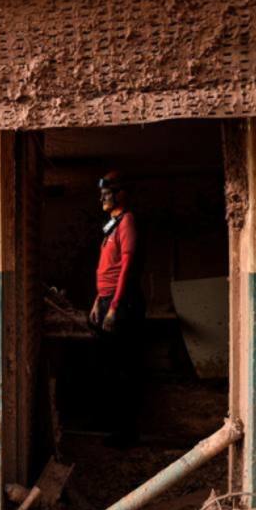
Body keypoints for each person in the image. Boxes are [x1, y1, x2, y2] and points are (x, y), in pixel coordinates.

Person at [88, 170, 144, 447]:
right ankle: (114, 430)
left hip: (123, 302)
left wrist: (114, 308)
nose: (102, 198)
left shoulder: (127, 221)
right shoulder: (112, 224)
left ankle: (126, 435)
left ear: (120, 194)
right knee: (109, 366)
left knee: (123, 369)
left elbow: (126, 268)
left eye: (107, 193)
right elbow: (105, 269)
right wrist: (98, 301)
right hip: (108, 299)